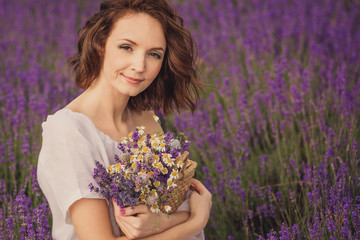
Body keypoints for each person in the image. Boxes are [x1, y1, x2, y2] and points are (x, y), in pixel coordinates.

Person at [37, 0, 212, 239]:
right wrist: (196, 220)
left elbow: (177, 204)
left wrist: (164, 220)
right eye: (126, 47)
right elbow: (192, 210)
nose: (140, 66)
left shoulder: (145, 119)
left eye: (154, 54)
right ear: (100, 45)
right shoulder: (69, 132)